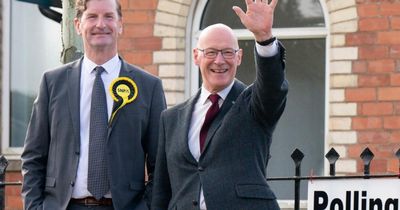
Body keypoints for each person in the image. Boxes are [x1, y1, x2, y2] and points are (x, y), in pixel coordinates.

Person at [20, 0, 166, 209]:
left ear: (120, 24)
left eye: (108, 16)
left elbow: (159, 165)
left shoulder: (148, 86)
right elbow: (34, 156)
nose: (100, 24)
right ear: (78, 25)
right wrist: (34, 207)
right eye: (92, 17)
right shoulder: (52, 83)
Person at [151, 0, 288, 209]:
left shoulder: (254, 105)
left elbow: (273, 87)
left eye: (227, 52)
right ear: (196, 56)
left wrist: (264, 38)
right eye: (211, 52)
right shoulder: (170, 119)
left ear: (239, 57)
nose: (219, 61)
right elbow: (162, 191)